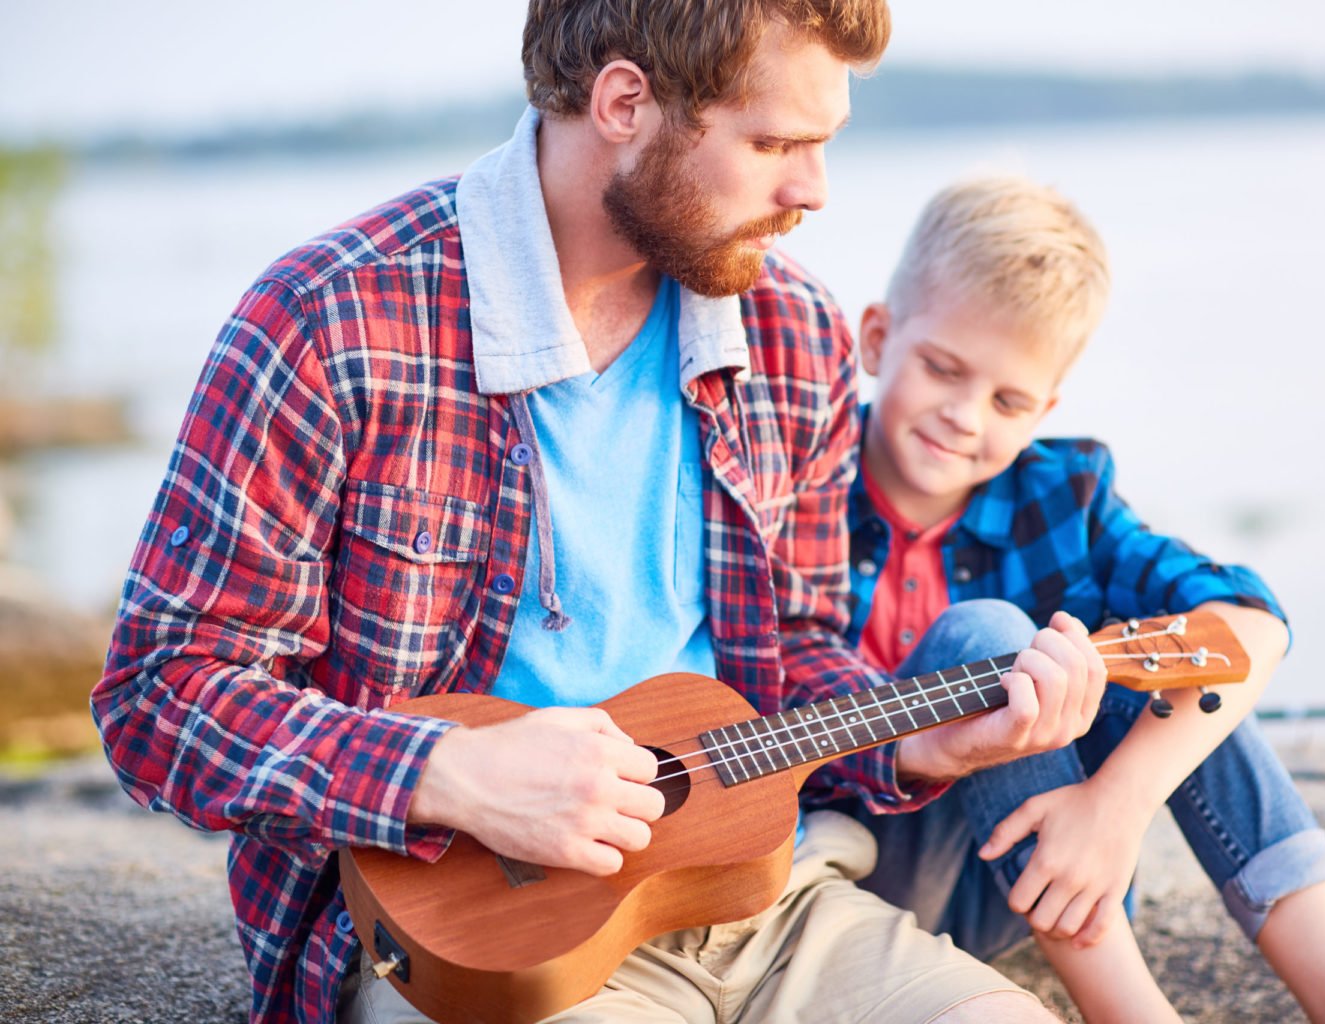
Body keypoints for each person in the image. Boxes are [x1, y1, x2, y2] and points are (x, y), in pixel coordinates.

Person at [90, 4, 1104, 1023]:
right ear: (624, 102)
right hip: (477, 943)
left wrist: (913, 745)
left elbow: (792, 654)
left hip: (761, 903)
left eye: (821, 144)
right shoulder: (331, 319)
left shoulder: (794, 331)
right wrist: (447, 772)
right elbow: (158, 694)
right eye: (772, 144)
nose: (813, 190)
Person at [832, 175, 1325, 1022]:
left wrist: (1116, 804)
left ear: (1046, 409)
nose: (964, 415)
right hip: (863, 881)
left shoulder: (1062, 497)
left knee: (1177, 653)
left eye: (1007, 400)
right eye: (942, 369)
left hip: (1023, 882)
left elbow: (1252, 626)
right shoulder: (806, 476)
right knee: (995, 637)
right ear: (877, 338)